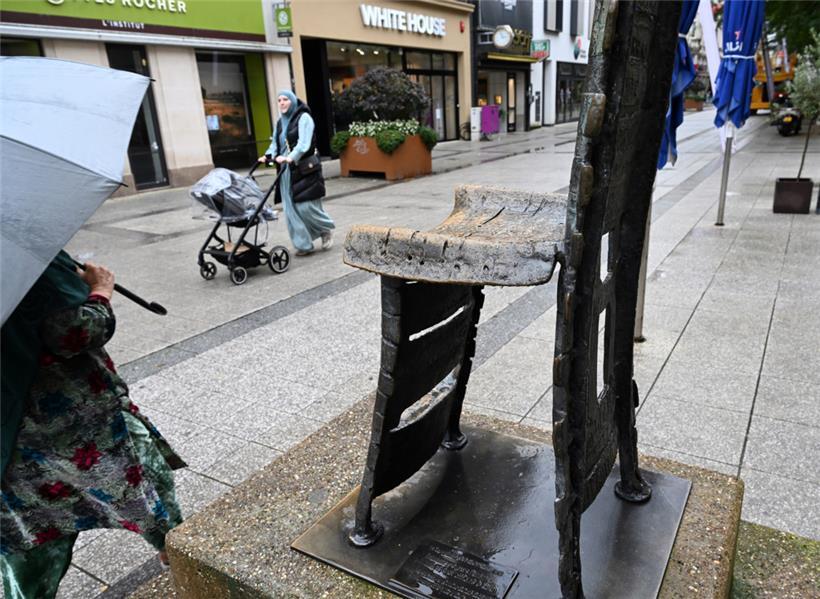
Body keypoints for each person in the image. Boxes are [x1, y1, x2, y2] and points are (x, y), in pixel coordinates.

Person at [0, 251, 184, 598]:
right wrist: (100, 290)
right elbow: (74, 331)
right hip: (75, 425)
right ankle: (178, 553)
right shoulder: (19, 251)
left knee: (31, 539)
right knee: (148, 482)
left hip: (10, 442)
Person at [259, 90, 335, 256]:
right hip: (286, 172)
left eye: (285, 99)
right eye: (279, 100)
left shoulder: (304, 118)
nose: (282, 103)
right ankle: (303, 245)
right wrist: (267, 156)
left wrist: (290, 157)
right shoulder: (280, 123)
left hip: (304, 168)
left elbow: (304, 143)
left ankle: (325, 228)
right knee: (290, 209)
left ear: (292, 101)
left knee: (306, 206)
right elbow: (275, 144)